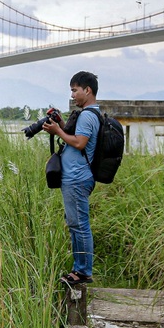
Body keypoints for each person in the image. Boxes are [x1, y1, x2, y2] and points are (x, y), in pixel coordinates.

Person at [43, 71, 100, 285]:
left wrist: (58, 130)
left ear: (88, 90)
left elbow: (79, 143)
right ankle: (79, 269)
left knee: (80, 225)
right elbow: (76, 137)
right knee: (75, 224)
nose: (73, 95)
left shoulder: (86, 115)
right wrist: (62, 124)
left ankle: (83, 271)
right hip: (77, 176)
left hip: (77, 178)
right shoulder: (90, 113)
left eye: (75, 90)